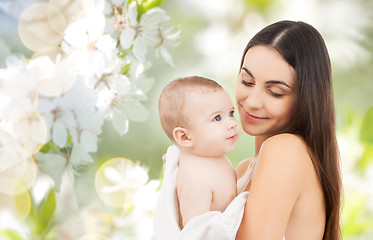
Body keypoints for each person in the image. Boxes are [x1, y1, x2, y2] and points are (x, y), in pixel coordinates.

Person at [234, 20, 342, 239]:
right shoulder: (243, 169)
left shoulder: (286, 150)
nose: (253, 101)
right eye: (247, 81)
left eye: (275, 92)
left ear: (306, 99)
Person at [153, 76, 248, 240]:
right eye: (217, 118)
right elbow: (197, 232)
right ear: (184, 137)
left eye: (231, 113)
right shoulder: (195, 177)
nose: (232, 123)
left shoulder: (211, 156)